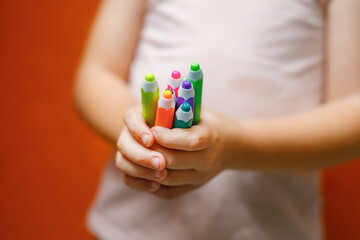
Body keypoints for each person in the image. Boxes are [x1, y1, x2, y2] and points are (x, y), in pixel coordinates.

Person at [74, 0, 360, 239]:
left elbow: (353, 113)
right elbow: (96, 75)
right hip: (131, 229)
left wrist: (236, 145)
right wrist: (142, 137)